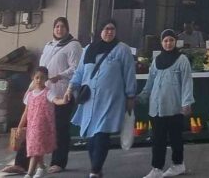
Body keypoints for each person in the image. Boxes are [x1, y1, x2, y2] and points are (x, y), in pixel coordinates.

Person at [4, 17, 83, 176]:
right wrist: (33, 86)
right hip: (42, 93)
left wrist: (59, 76)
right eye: (57, 26)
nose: (59, 29)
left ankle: (58, 162)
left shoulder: (73, 45)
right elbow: (41, 69)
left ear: (67, 28)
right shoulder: (49, 45)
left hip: (61, 92)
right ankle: (21, 163)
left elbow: (77, 69)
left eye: (62, 27)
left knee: (60, 128)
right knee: (33, 129)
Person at [64, 18, 137, 178]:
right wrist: (70, 87)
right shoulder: (89, 49)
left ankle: (95, 170)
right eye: (106, 29)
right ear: (99, 31)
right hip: (90, 100)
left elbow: (129, 73)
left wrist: (131, 96)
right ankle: (96, 168)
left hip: (111, 100)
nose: (109, 32)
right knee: (92, 137)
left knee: (102, 134)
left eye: (112, 29)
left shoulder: (122, 50)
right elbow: (80, 71)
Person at [139, 28, 195, 178]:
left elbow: (187, 82)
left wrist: (186, 102)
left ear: (175, 41)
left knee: (176, 137)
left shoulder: (181, 60)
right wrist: (142, 96)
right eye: (165, 41)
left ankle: (178, 165)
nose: (168, 43)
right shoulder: (157, 60)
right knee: (158, 139)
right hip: (156, 107)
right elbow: (150, 81)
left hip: (174, 107)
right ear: (161, 43)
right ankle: (156, 169)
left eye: (171, 40)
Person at [17, 66, 59, 178]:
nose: (39, 80)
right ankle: (41, 167)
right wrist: (20, 126)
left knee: (35, 149)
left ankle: (30, 173)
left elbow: (56, 100)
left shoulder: (48, 93)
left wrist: (63, 100)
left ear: (46, 79)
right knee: (36, 148)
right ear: (33, 78)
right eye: (37, 77)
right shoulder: (29, 95)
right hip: (32, 127)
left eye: (42, 78)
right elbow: (25, 112)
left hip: (43, 127)